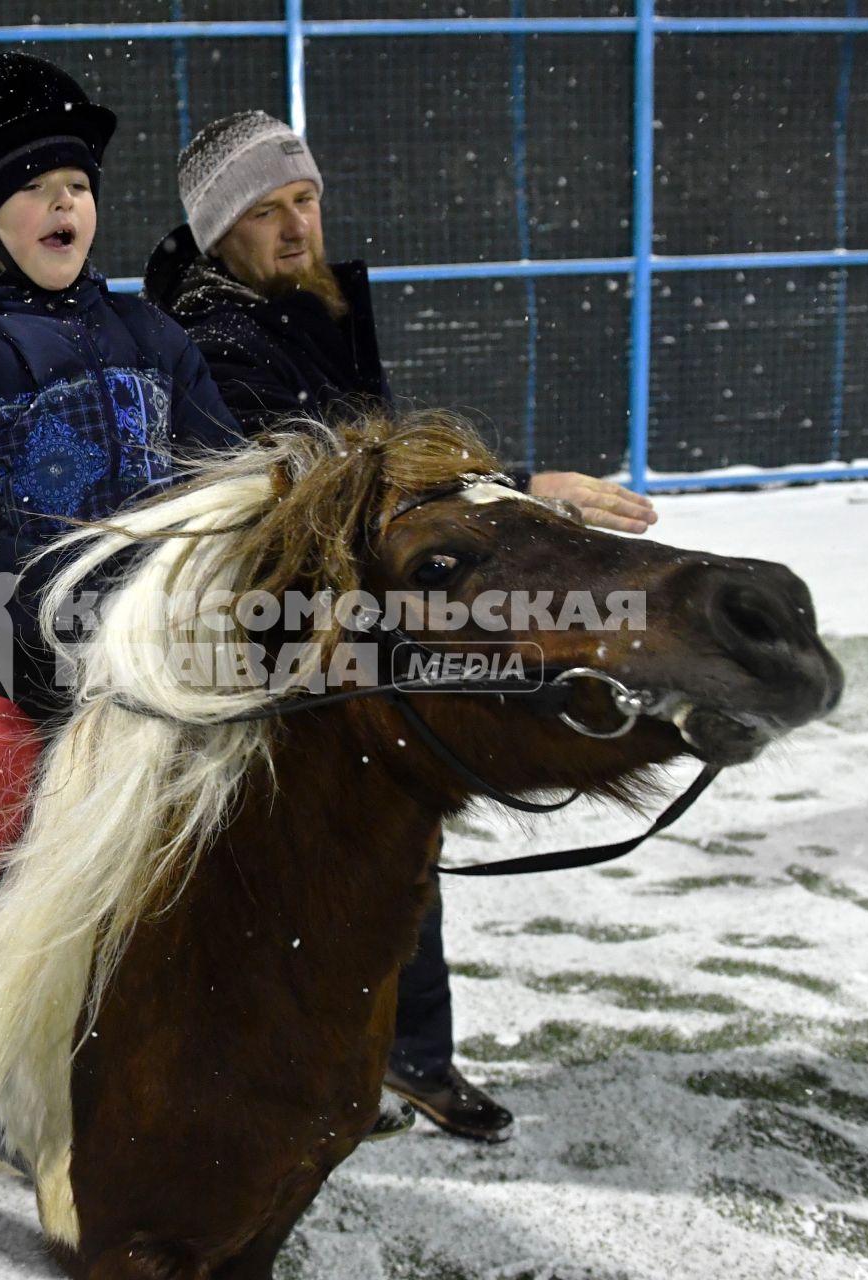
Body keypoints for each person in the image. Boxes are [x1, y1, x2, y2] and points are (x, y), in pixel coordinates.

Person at [145, 110, 660, 1144]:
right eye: (263, 211)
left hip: (348, 622)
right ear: (216, 234)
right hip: (271, 637)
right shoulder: (212, 337)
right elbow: (318, 487)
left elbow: (380, 468)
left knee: (390, 848)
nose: (296, 226)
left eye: (304, 198)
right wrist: (517, 493)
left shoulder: (312, 305)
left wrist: (515, 494)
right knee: (326, 863)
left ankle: (405, 1056)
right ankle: (315, 1063)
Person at [0, 51, 240, 1214]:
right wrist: (26, 616)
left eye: (76, 182)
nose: (63, 203)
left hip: (149, 645)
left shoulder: (151, 338)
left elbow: (215, 475)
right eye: (30, 185)